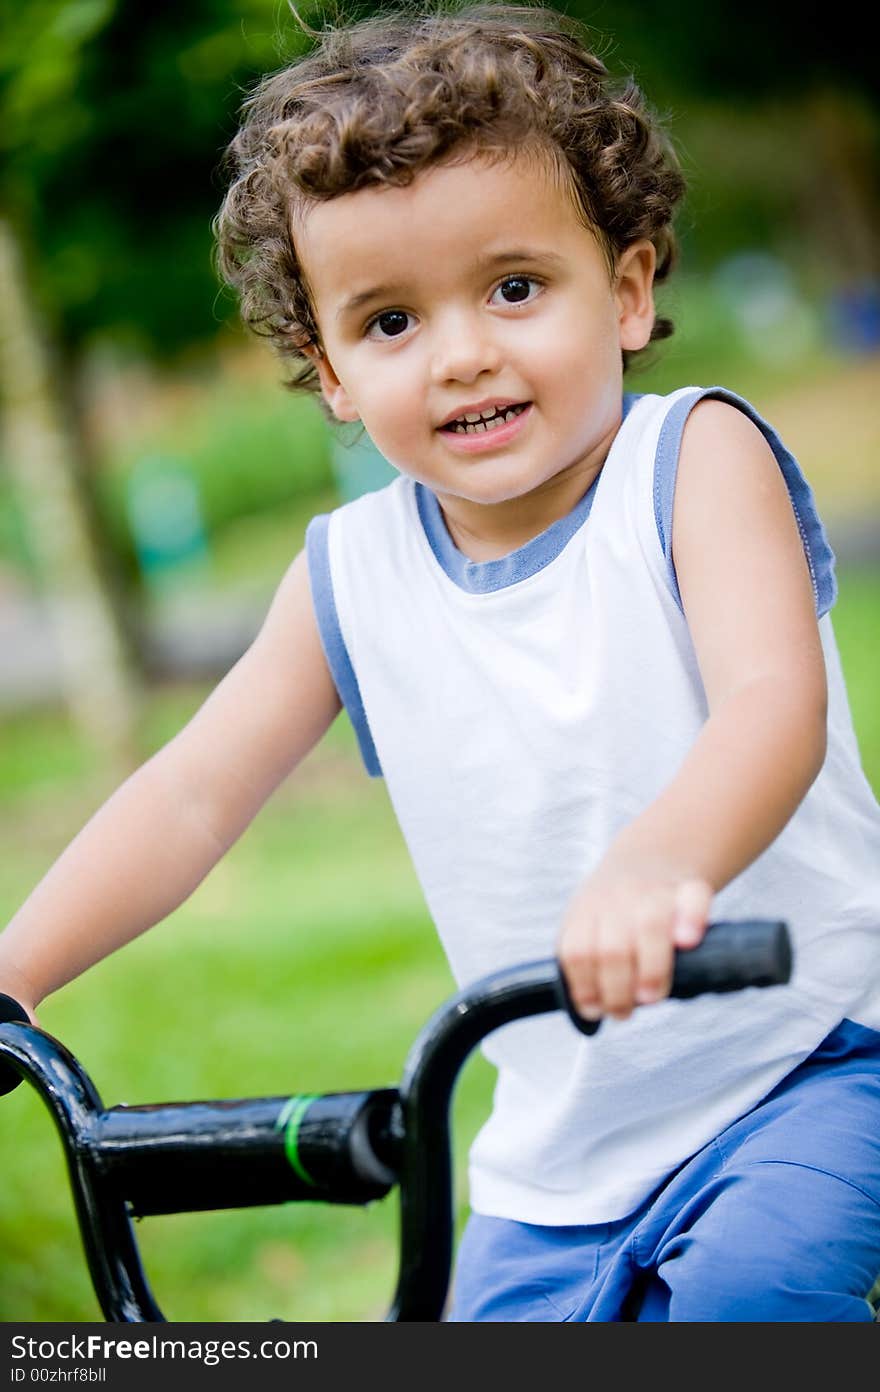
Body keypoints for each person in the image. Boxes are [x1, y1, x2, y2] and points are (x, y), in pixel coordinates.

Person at [2, 1, 879, 1321]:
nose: (463, 351)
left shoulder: (693, 462)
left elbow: (771, 705)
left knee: (744, 1301)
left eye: (514, 288)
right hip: (555, 1164)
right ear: (331, 371)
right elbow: (191, 794)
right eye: (391, 322)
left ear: (628, 292)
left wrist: (661, 860)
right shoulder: (349, 573)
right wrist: (13, 971)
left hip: (811, 1063)